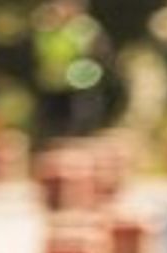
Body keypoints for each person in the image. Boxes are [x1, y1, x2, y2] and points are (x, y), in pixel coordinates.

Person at [30, 0, 111, 145]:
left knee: (81, 115)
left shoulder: (85, 27)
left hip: (81, 81)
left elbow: (100, 52)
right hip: (54, 83)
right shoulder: (47, 29)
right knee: (53, 119)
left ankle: (80, 142)